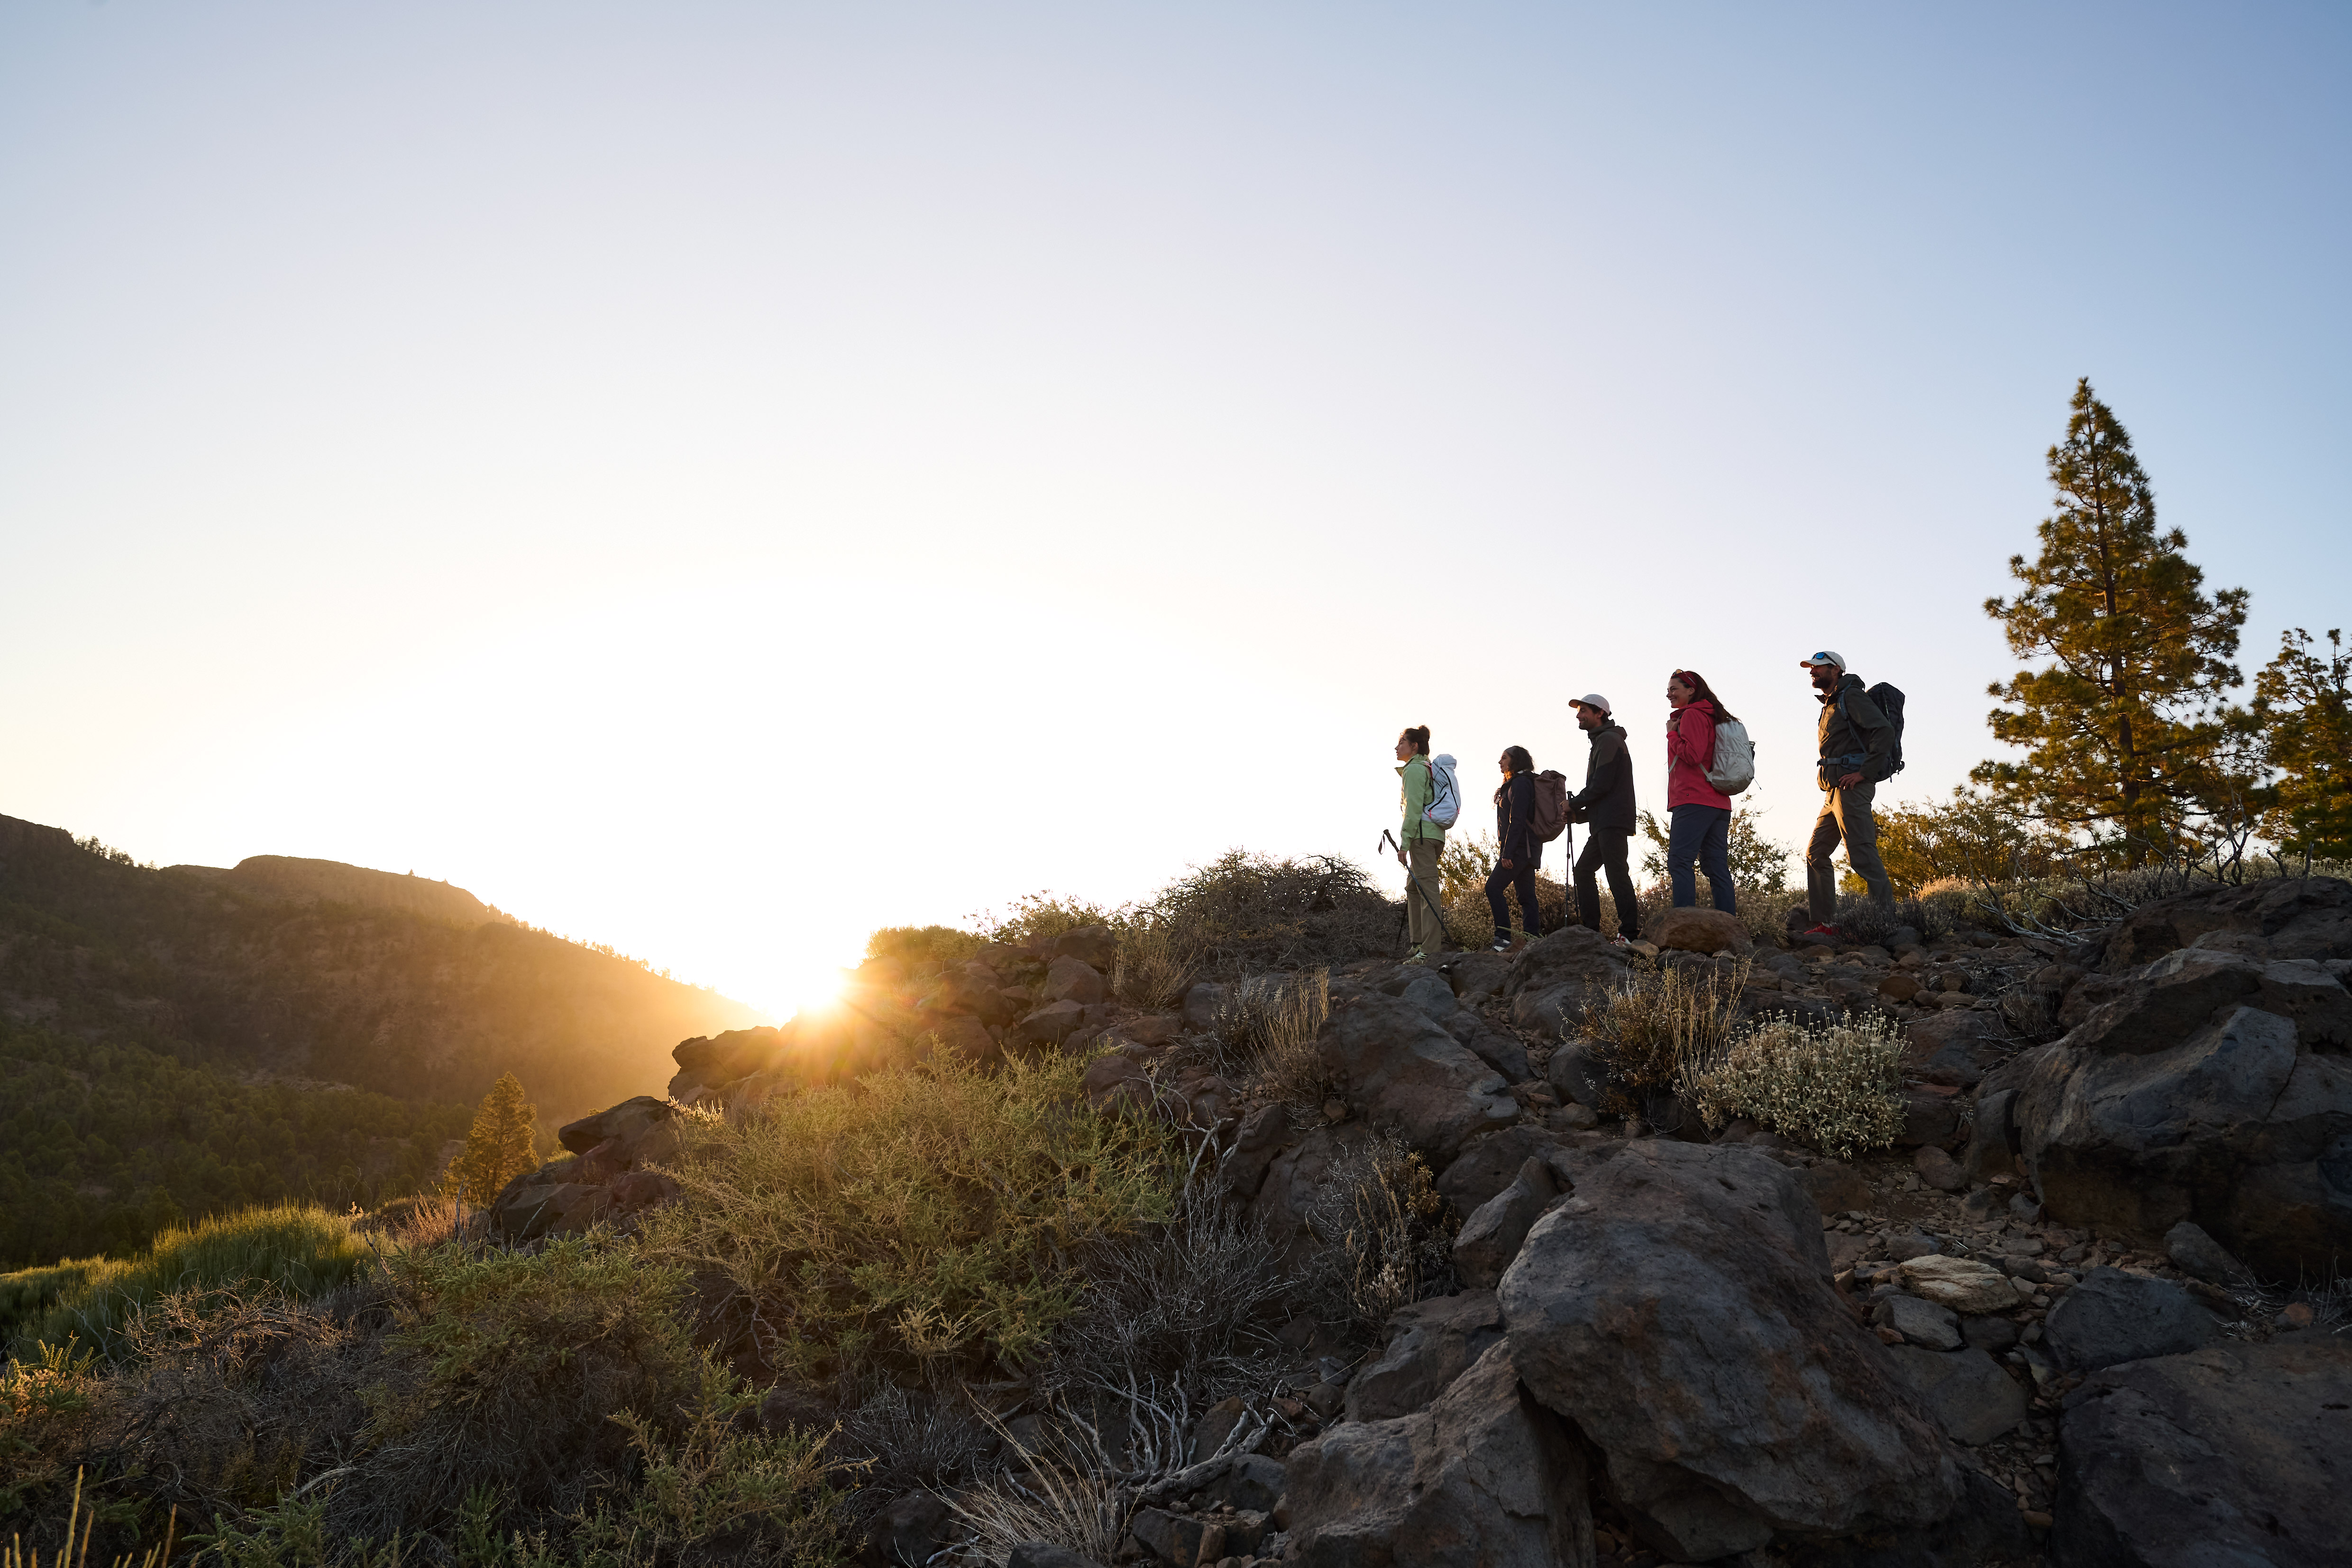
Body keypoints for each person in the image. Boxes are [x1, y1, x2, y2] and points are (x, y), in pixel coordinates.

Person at [1800, 651, 1895, 936]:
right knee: (1815, 853)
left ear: (1836, 670)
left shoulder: (1851, 697)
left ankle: (1884, 923)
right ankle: (1825, 925)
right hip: (1834, 791)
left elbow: (1884, 731)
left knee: (1862, 854)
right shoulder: (1830, 703)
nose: (1813, 672)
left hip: (1852, 788)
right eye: (1811, 669)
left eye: (1819, 667)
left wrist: (1864, 773)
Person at [1565, 695, 1639, 944]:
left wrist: (1573, 804)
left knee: (1616, 873)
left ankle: (1628, 933)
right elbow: (1606, 790)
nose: (1578, 715)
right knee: (1585, 871)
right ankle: (1592, 931)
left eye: (1583, 710)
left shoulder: (1608, 740)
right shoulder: (1603, 740)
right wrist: (1583, 815)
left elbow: (1602, 785)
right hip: (1606, 822)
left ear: (1600, 713)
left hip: (1612, 822)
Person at [1664, 669, 1738, 913]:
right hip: (1717, 801)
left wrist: (1671, 733)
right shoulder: (1711, 716)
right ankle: (1729, 929)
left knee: (1680, 861)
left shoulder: (1694, 715)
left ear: (1691, 690)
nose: (1669, 694)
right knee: (1716, 866)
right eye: (1669, 690)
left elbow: (1692, 755)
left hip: (1694, 800)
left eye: (1674, 689)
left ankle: (1684, 923)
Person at [1394, 725, 1449, 961]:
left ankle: (1429, 950)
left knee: (1427, 892)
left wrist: (1405, 844)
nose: (1397, 747)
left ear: (1414, 746)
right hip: (1430, 836)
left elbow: (1414, 808)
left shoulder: (1415, 770)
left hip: (1421, 838)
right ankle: (1418, 943)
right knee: (1414, 888)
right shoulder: (1423, 768)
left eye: (1401, 742)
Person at [1486, 745, 1542, 953]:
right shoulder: (1517, 784)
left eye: (1504, 758)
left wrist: (1507, 854)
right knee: (1526, 896)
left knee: (1493, 888)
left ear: (1515, 761)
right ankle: (1532, 939)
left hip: (1520, 849)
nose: (1500, 762)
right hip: (1527, 849)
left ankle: (1503, 938)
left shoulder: (1520, 784)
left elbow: (1517, 821)